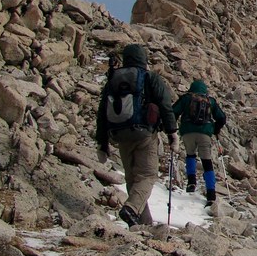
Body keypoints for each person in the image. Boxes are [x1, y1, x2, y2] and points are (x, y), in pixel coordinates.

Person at [96, 44, 177, 227]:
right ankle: (132, 209)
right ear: (143, 59)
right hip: (144, 134)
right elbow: (165, 106)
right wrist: (172, 133)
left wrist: (102, 144)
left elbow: (102, 113)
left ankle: (142, 225)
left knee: (132, 180)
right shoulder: (149, 77)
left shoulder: (114, 79)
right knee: (147, 176)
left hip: (120, 135)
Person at [172, 79, 226, 208]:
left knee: (190, 154)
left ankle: (191, 181)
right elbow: (222, 117)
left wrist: (172, 128)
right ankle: (211, 194)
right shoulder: (210, 100)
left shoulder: (186, 98)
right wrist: (215, 129)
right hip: (204, 134)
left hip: (187, 132)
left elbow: (173, 111)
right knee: (207, 162)